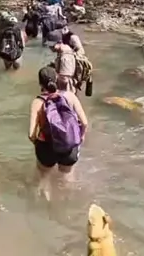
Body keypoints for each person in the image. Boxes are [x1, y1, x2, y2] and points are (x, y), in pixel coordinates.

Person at [28, 66, 89, 200]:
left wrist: (38, 144)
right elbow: (84, 123)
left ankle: (44, 206)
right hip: (69, 145)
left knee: (44, 178)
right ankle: (67, 203)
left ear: (40, 83)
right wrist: (81, 136)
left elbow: (31, 134)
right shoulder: (70, 96)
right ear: (56, 78)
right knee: (67, 177)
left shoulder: (38, 102)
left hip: (46, 147)